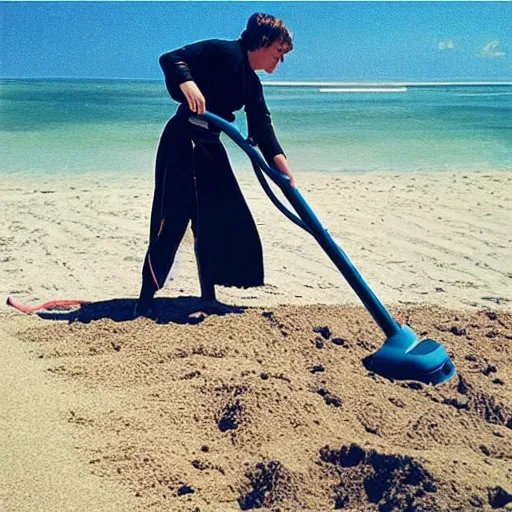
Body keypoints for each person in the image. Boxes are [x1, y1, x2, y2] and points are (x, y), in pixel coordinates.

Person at [135, 12, 295, 316]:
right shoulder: (223, 51)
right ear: (262, 42)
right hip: (183, 140)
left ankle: (208, 295)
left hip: (209, 146)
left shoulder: (252, 84)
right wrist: (188, 84)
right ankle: (144, 301)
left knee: (215, 220)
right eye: (278, 51)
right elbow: (171, 58)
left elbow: (263, 130)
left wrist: (286, 176)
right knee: (174, 220)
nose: (280, 60)